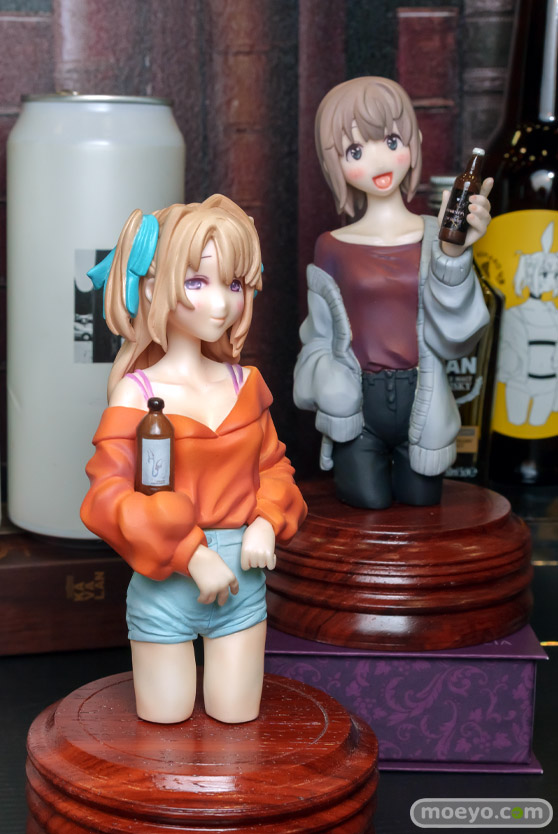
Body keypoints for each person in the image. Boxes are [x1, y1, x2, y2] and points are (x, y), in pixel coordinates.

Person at [81, 195, 307, 724]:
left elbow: (273, 467)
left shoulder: (245, 383)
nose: (222, 304)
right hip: (165, 580)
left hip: (243, 580)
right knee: (164, 726)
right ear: (153, 287)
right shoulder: (137, 394)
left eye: (234, 284)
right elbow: (107, 499)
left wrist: (267, 521)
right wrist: (190, 552)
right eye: (198, 282)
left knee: (238, 721)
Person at [294, 76, 493, 509]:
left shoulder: (437, 237)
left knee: (422, 507)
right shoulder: (332, 246)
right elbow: (319, 335)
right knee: (366, 505)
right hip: (357, 403)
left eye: (390, 141)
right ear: (333, 163)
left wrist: (453, 256)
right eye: (355, 151)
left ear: (415, 142)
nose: (378, 160)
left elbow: (459, 338)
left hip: (424, 399)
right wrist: (331, 385)